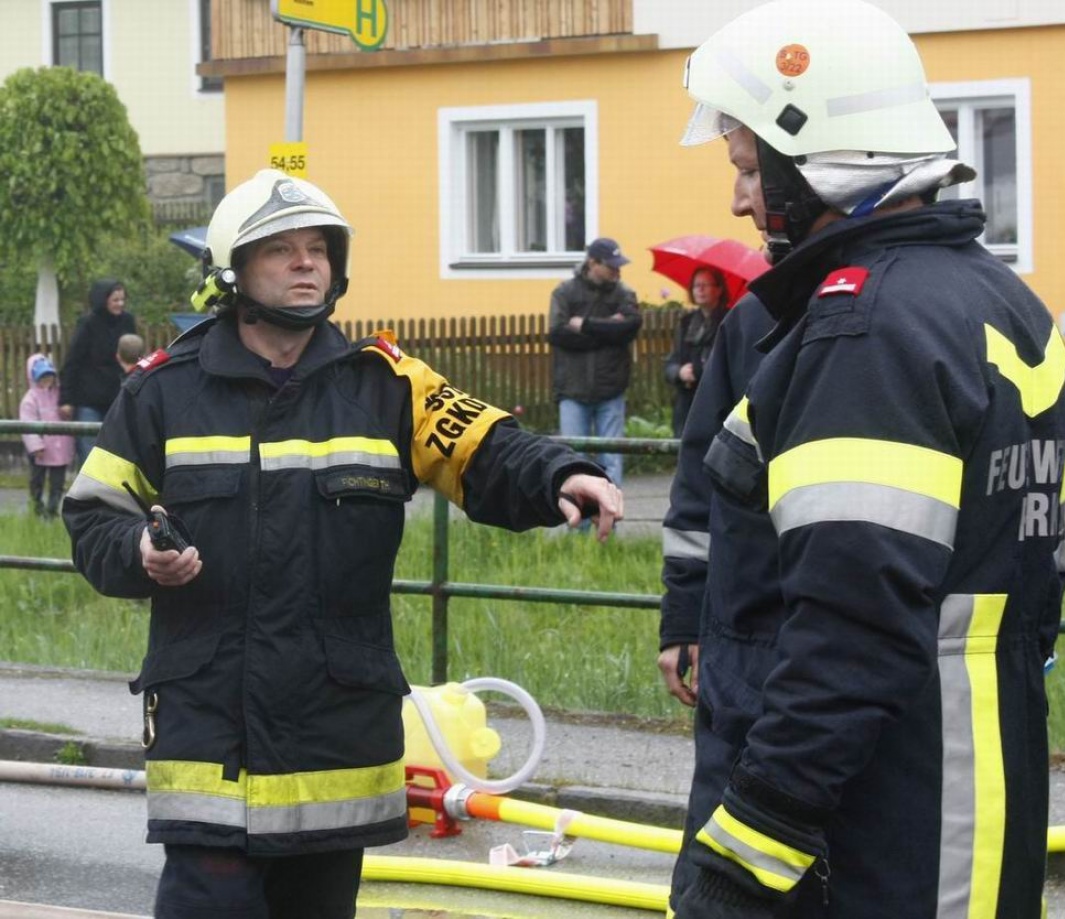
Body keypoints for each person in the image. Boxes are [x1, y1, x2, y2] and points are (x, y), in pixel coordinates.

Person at [62, 168, 622, 919]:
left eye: (319, 249)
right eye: (281, 249)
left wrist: (563, 471)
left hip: (335, 742)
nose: (306, 263)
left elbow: (487, 446)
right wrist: (139, 549)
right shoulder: (162, 392)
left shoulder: (387, 385)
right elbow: (92, 515)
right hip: (210, 739)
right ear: (232, 271)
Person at [669, 2, 1065, 918]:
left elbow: (850, 630)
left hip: (874, 825)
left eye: (748, 168)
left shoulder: (865, 329)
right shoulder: (995, 297)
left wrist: (743, 860)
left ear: (819, 158)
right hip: (969, 795)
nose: (739, 200)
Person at [549, 236, 642, 488]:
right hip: (572, 388)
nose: (617, 270)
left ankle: (610, 511)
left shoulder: (624, 293)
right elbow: (557, 334)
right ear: (592, 263)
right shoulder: (564, 292)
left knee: (612, 458)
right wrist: (609, 331)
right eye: (611, 265)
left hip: (611, 387)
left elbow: (631, 327)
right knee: (573, 459)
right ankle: (577, 511)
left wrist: (586, 325)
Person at [59, 278, 136, 467]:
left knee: (117, 451)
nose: (120, 304)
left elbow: (132, 357)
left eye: (122, 299)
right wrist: (66, 399)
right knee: (89, 453)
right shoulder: (88, 324)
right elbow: (73, 362)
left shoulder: (127, 321)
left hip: (117, 398)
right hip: (88, 400)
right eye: (115, 300)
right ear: (103, 300)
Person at [663, 267, 729, 437]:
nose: (700, 289)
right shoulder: (686, 323)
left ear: (719, 290)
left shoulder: (729, 321)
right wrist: (679, 372)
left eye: (705, 285)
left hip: (717, 403)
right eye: (696, 285)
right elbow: (671, 361)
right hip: (687, 403)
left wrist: (700, 370)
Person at [19, 354, 75, 518]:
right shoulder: (30, 400)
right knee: (37, 480)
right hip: (41, 450)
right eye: (42, 377)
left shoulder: (59, 394)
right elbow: (28, 425)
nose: (46, 380)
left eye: (49, 376)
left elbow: (68, 416)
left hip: (60, 448)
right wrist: (36, 446)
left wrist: (68, 412)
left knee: (57, 482)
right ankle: (36, 507)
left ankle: (52, 509)